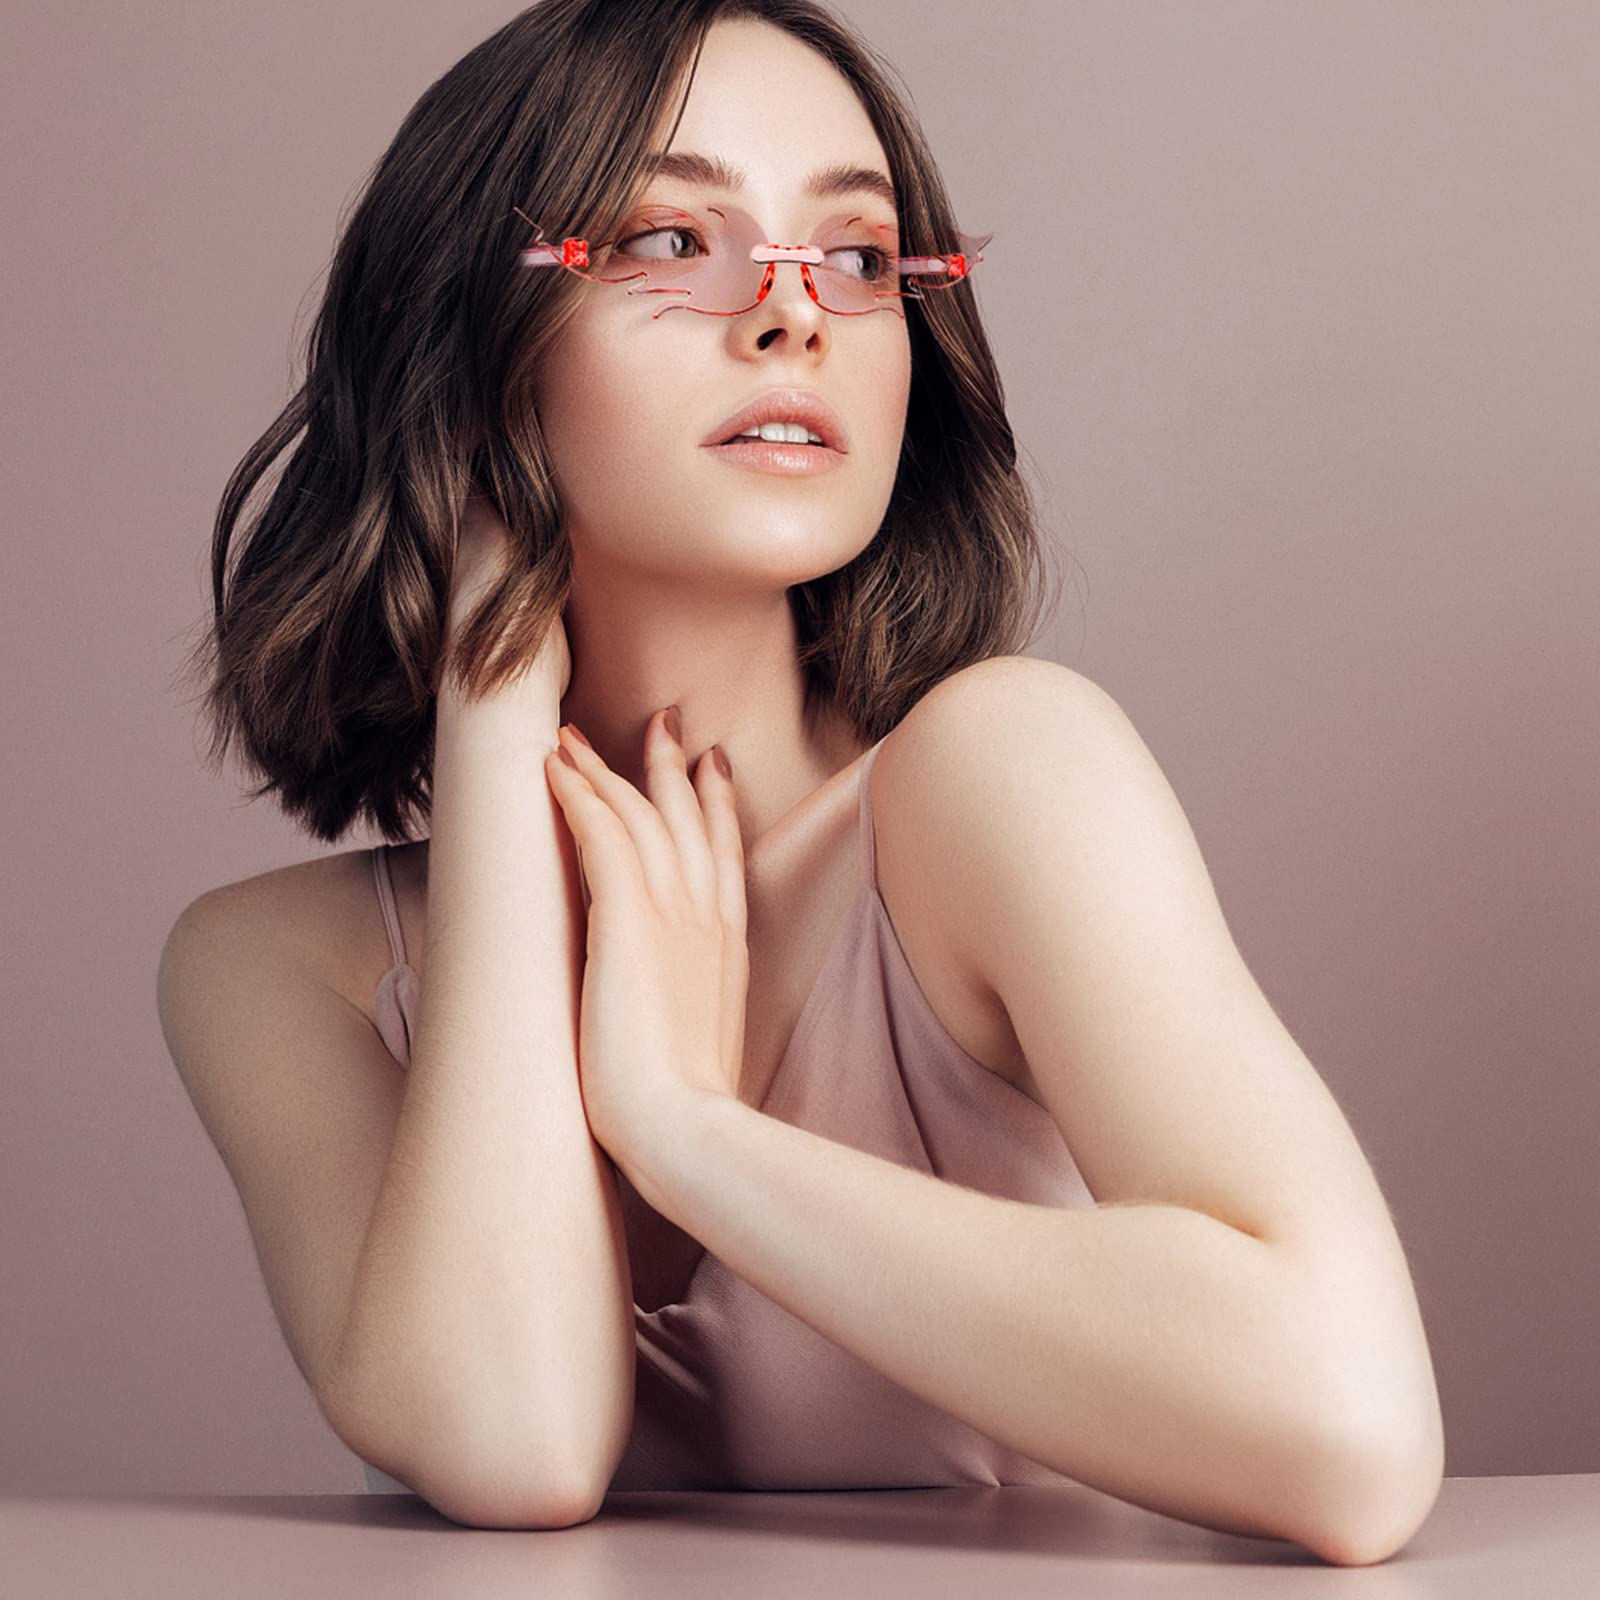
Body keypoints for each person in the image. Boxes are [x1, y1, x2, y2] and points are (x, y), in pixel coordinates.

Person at [159, 0, 1438, 1564]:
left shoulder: (997, 782)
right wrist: (491, 703)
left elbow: (1352, 1440)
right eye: (669, 241)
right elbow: (513, 1441)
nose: (791, 316)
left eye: (856, 256)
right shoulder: (273, 970)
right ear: (466, 341)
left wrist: (683, 1127)